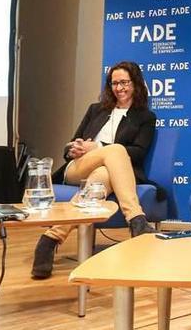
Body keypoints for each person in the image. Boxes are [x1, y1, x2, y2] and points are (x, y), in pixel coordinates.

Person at [31, 61, 158, 279]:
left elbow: (137, 153)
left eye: (124, 82)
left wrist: (98, 147)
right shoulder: (95, 110)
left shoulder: (145, 117)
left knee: (103, 175)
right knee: (116, 150)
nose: (119, 88)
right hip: (78, 168)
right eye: (114, 83)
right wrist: (76, 148)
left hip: (108, 172)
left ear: (136, 84)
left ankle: (50, 239)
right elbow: (70, 145)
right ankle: (136, 219)